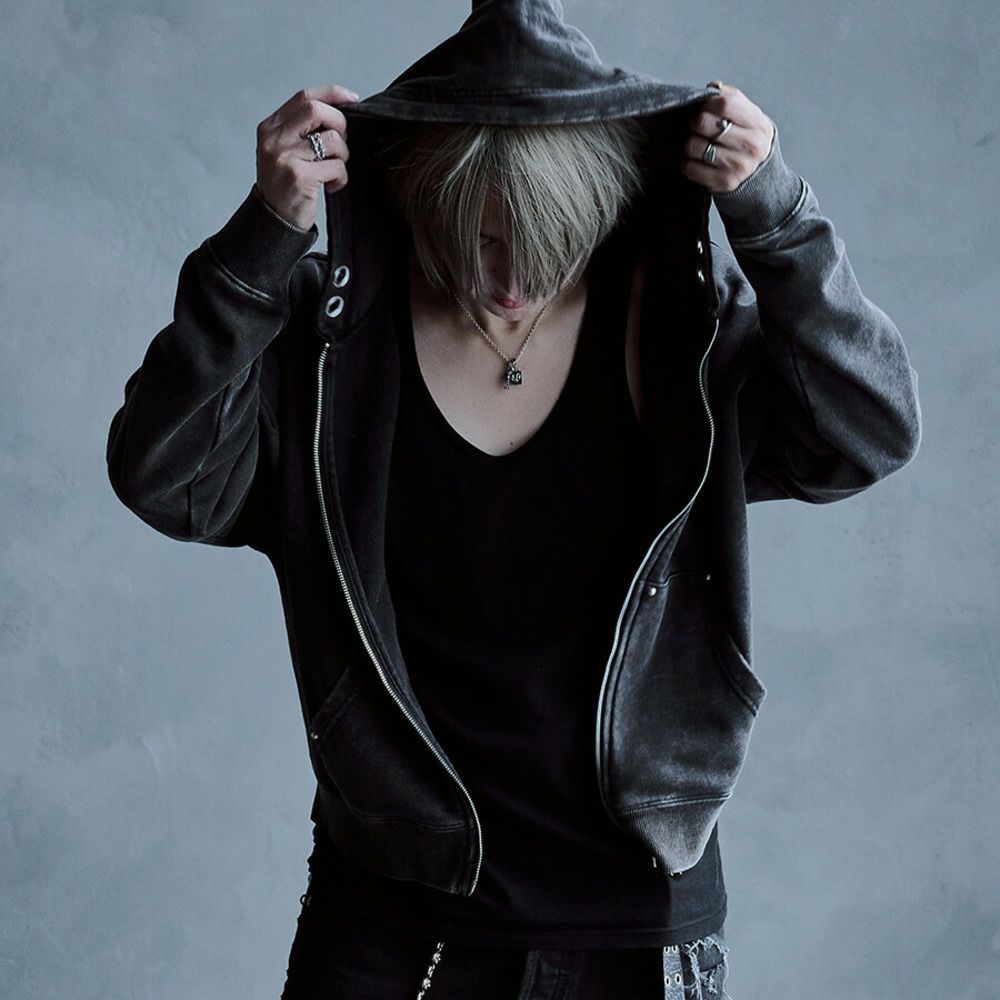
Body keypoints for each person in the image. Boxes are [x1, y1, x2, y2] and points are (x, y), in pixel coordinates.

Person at [105, 1, 921, 997]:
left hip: (640, 933)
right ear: (428, 195)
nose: (510, 281)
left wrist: (778, 219)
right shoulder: (333, 337)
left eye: (547, 242)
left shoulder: (681, 325)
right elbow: (165, 476)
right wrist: (262, 240)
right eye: (481, 239)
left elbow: (868, 433)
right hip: (391, 922)